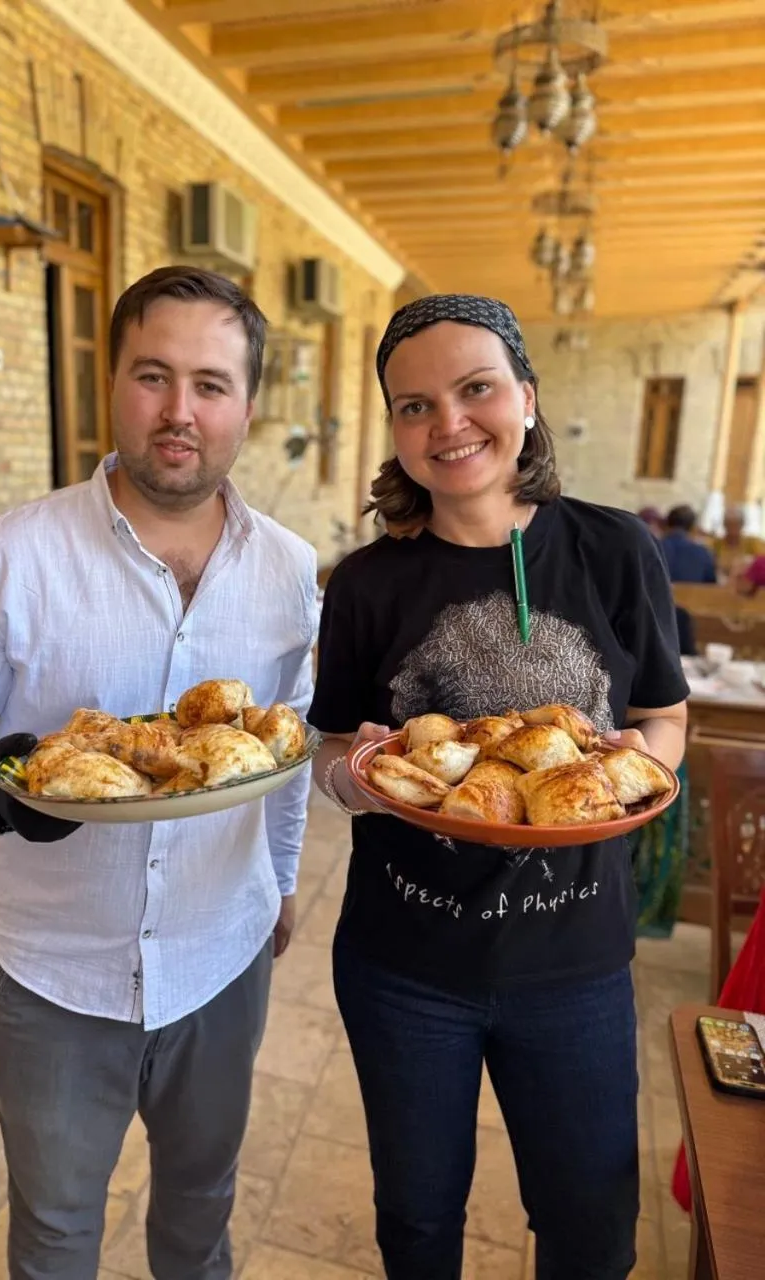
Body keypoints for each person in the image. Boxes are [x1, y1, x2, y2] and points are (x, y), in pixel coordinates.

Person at [0, 265, 319, 1280]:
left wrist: (283, 879)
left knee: (199, 1222)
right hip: (55, 972)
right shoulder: (3, 556)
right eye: (151, 374)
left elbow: (283, 752)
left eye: (210, 383)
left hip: (223, 951)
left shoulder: (290, 569)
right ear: (109, 383)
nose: (178, 411)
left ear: (247, 405)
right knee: (57, 1233)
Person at [307, 294, 688, 1280]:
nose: (449, 423)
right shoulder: (364, 582)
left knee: (591, 1227)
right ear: (395, 428)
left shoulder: (614, 548)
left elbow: (664, 715)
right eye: (414, 404)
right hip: (403, 965)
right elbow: (331, 750)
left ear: (525, 395)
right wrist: (363, 776)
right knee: (419, 1223)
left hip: (576, 965)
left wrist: (626, 769)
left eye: (475, 389)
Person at [661, 504, 716, 584]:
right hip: (695, 595)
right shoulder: (703, 553)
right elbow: (711, 585)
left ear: (667, 525)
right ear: (692, 528)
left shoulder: (654, 548)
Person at [712, 504, 764, 582]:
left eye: (736, 524)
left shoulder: (753, 543)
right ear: (724, 525)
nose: (732, 529)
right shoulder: (715, 544)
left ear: (742, 525)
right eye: (729, 524)